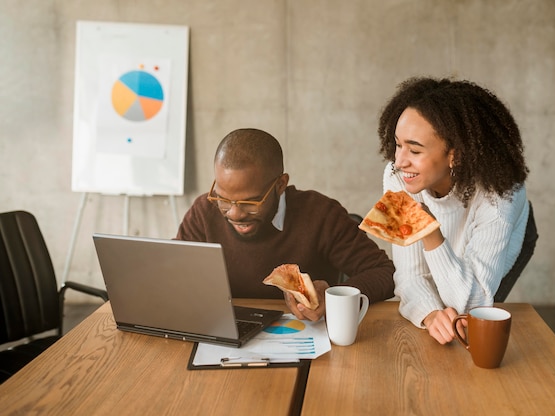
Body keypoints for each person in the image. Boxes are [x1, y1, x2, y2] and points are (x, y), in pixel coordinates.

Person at [176, 128, 395, 321]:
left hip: (305, 340)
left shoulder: (320, 215)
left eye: (250, 202)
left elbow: (385, 273)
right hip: (226, 334)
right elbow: (172, 276)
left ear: (280, 185)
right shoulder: (204, 212)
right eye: (222, 198)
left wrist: (333, 296)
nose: (235, 213)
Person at [377, 76, 530, 345]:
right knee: (440, 324)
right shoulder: (396, 178)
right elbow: (409, 275)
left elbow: (473, 301)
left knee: (471, 328)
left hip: (503, 237)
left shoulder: (501, 195)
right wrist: (430, 315)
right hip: (443, 245)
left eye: (414, 149)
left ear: (455, 155)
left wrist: (431, 234)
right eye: (398, 144)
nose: (399, 161)